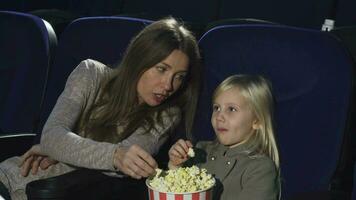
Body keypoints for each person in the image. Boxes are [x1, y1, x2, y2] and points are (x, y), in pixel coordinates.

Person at [0, 17, 202, 200]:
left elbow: (126, 166)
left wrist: (64, 149)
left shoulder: (166, 114)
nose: (168, 85)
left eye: (179, 76)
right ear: (140, 59)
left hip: (55, 192)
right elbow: (52, 136)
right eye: (162, 69)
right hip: (10, 178)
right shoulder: (90, 74)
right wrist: (114, 155)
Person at [168, 75, 280, 200]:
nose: (219, 116)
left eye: (231, 109)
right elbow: (176, 190)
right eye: (216, 108)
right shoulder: (200, 150)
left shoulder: (260, 169)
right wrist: (175, 166)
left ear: (257, 121)